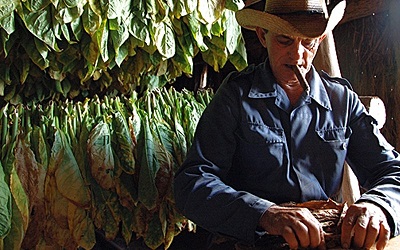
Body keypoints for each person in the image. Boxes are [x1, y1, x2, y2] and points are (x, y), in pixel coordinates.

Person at [173, 0, 400, 249]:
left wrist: (378, 206)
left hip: (324, 238)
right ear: (262, 35)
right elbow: (192, 183)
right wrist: (265, 214)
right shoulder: (235, 97)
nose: (297, 55)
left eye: (308, 42)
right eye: (284, 40)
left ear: (321, 39)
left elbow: (393, 171)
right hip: (251, 241)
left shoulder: (341, 100)